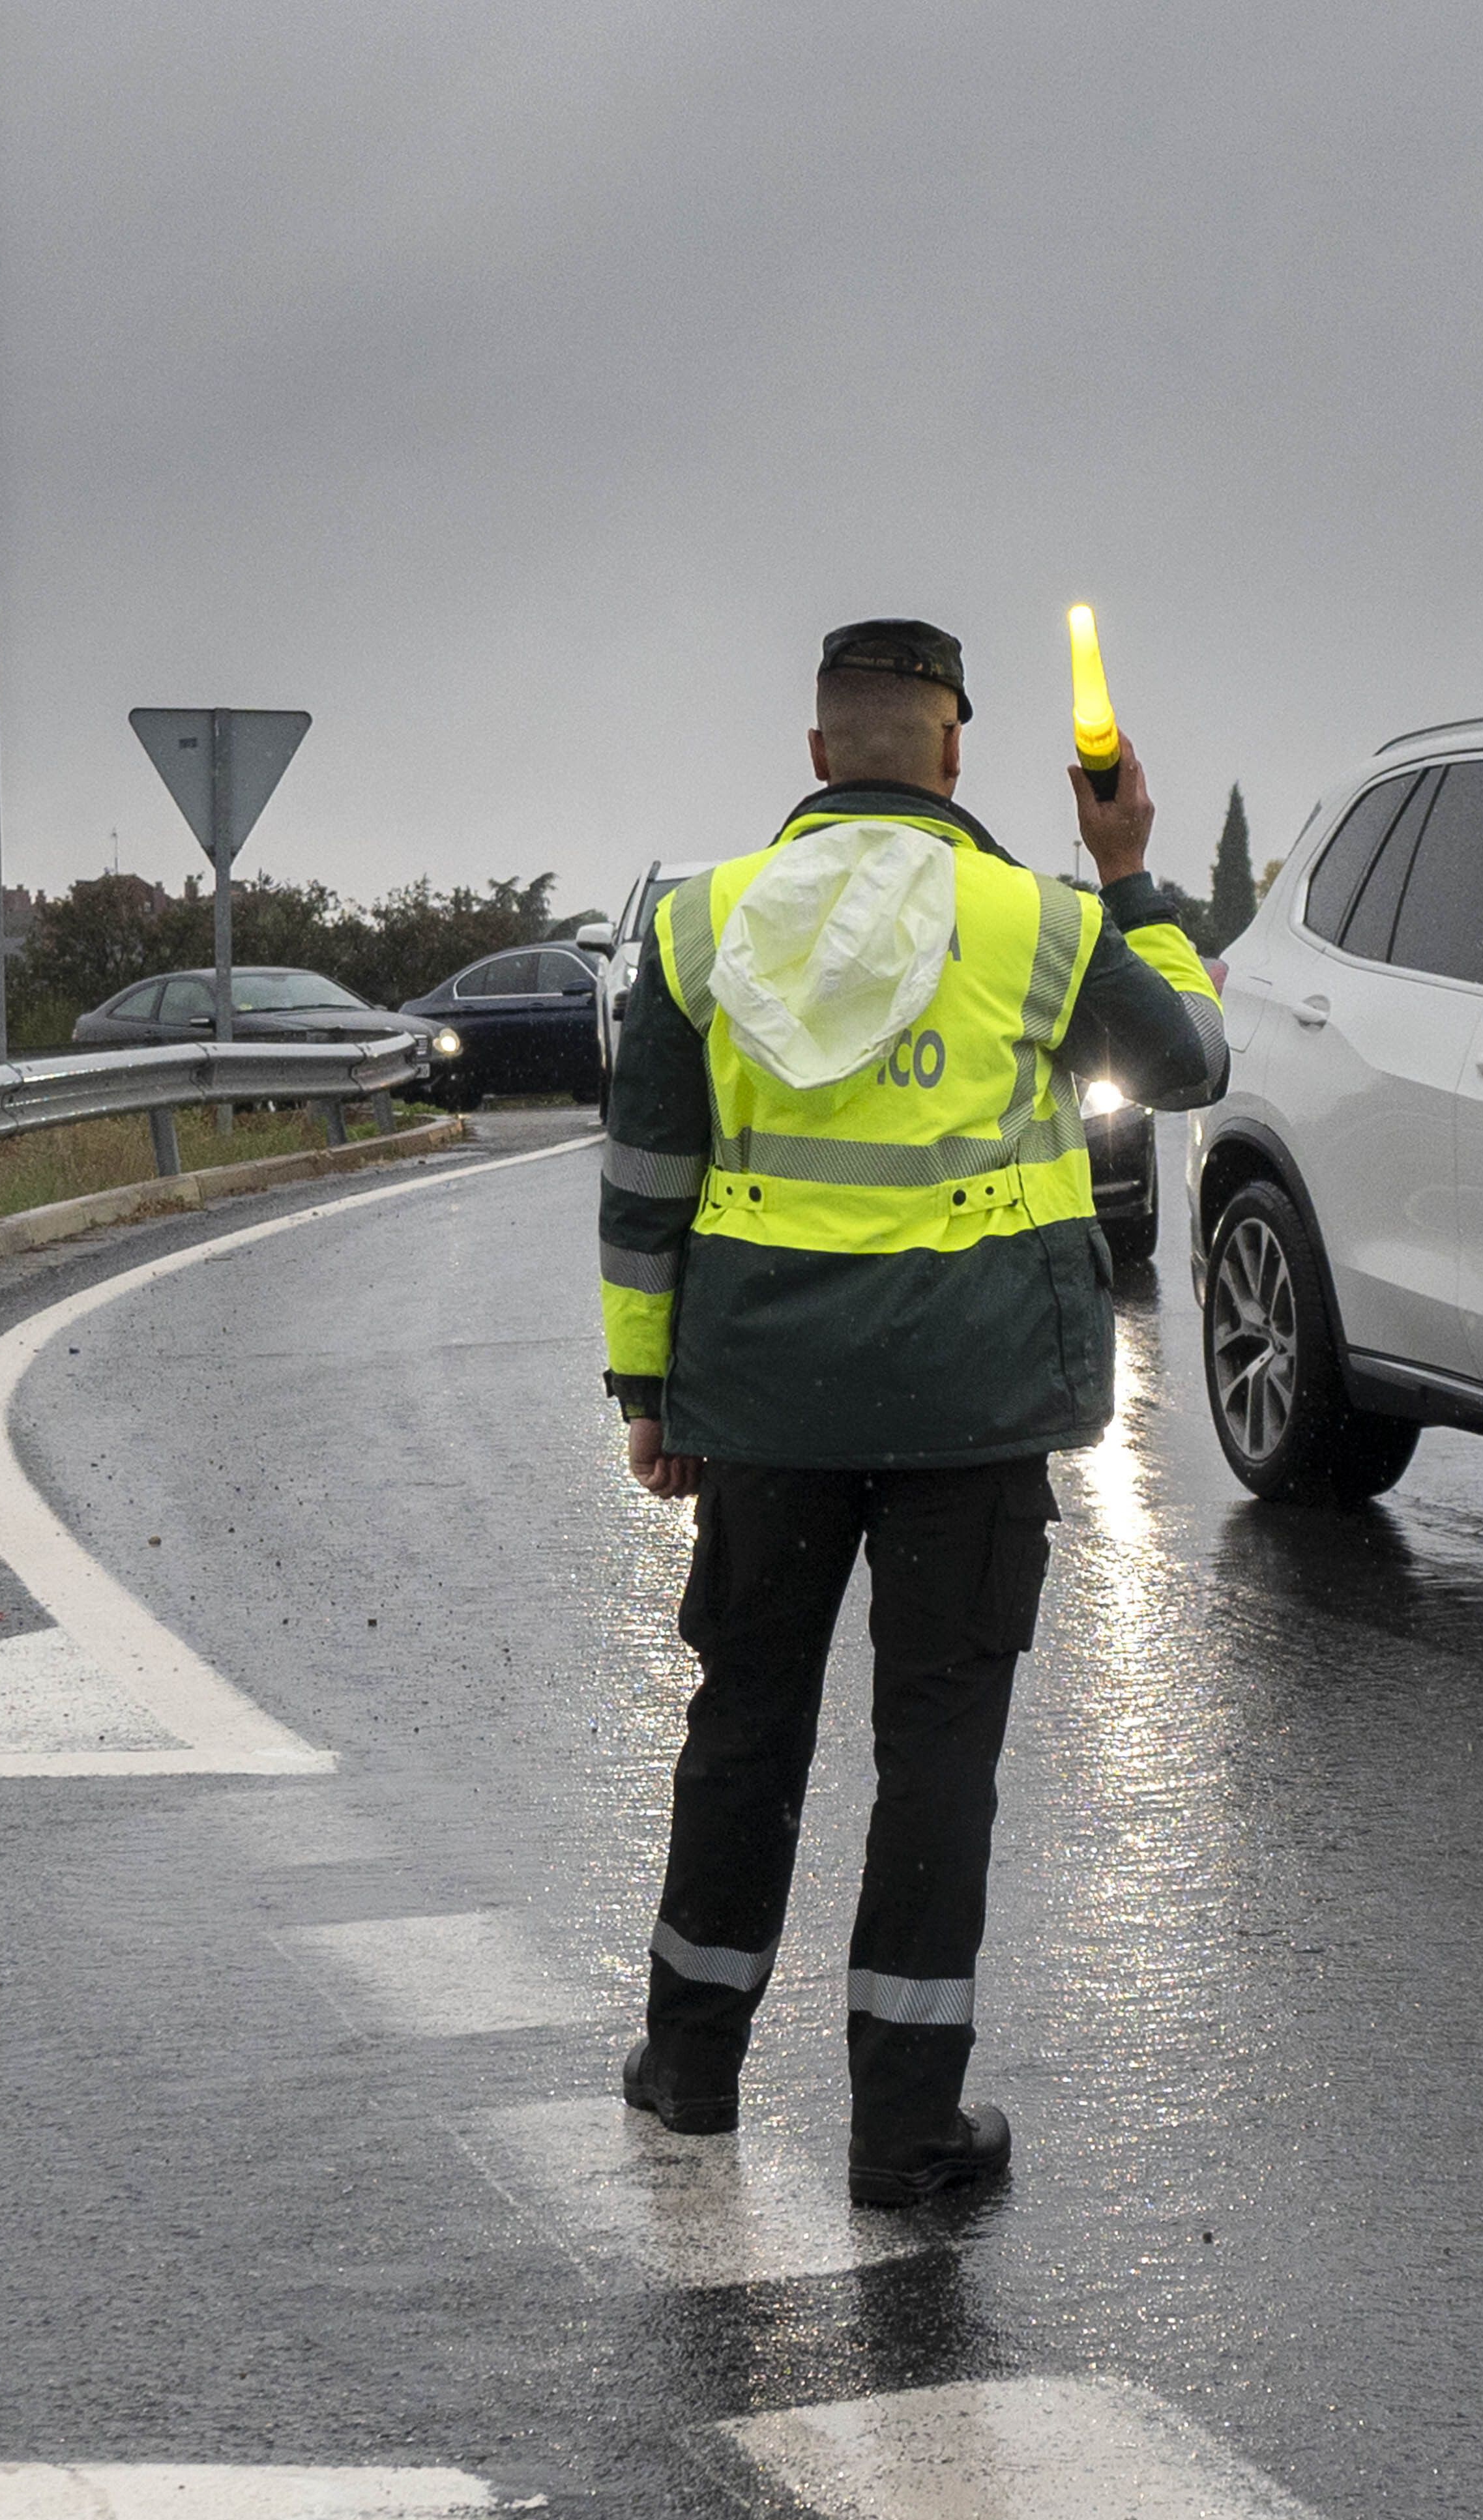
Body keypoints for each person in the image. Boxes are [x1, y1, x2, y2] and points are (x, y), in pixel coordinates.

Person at [596, 616, 1224, 2207]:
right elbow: (1191, 1064)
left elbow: (646, 1186)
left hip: (762, 1405)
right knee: (936, 1757)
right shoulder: (1039, 922)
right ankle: (903, 2131)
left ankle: (690, 2070)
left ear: (817, 753)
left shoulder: (696, 924)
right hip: (972, 1407)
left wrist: (646, 1389)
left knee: (744, 1729)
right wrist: (1131, 872)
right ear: (955, 752)